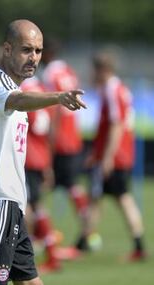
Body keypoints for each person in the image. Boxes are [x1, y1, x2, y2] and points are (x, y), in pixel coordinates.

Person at [0, 20, 86, 285]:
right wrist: (58, 97)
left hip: (11, 207)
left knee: (30, 281)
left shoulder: (12, 88)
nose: (34, 58)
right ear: (7, 50)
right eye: (26, 50)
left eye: (38, 51)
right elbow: (18, 102)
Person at [78, 50, 145, 260]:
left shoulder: (112, 89)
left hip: (115, 157)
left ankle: (138, 246)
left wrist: (106, 157)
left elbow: (116, 125)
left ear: (101, 70)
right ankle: (84, 241)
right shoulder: (119, 88)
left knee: (119, 199)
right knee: (97, 198)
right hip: (118, 155)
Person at [41, 38, 89, 253]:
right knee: (72, 186)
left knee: (38, 186)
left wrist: (50, 139)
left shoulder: (49, 74)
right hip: (74, 138)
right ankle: (88, 231)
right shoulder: (69, 70)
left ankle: (42, 235)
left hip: (59, 139)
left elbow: (55, 107)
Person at [20, 77, 61, 273]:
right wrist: (48, 162)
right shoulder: (43, 88)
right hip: (40, 154)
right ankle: (51, 252)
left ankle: (24, 254)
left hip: (27, 156)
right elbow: (51, 127)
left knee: (24, 206)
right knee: (36, 205)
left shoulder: (23, 89)